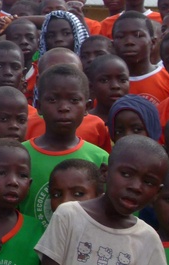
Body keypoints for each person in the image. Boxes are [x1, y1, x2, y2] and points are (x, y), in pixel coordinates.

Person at [35, 135, 168, 265]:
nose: (136, 187)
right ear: (105, 173)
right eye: (126, 174)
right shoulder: (69, 215)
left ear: (157, 193)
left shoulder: (148, 239)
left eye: (149, 182)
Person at [21, 64, 108, 228]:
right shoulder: (21, 156)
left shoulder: (100, 158)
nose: (63, 108)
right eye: (53, 100)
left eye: (74, 100)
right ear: (38, 106)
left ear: (87, 107)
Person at [112, 11, 169, 105]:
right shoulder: (108, 83)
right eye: (121, 36)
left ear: (153, 42)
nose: (129, 42)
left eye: (138, 35)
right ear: (113, 44)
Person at [85, 54, 129, 126]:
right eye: (104, 80)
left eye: (122, 80)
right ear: (91, 87)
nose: (115, 86)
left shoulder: (137, 120)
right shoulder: (83, 122)